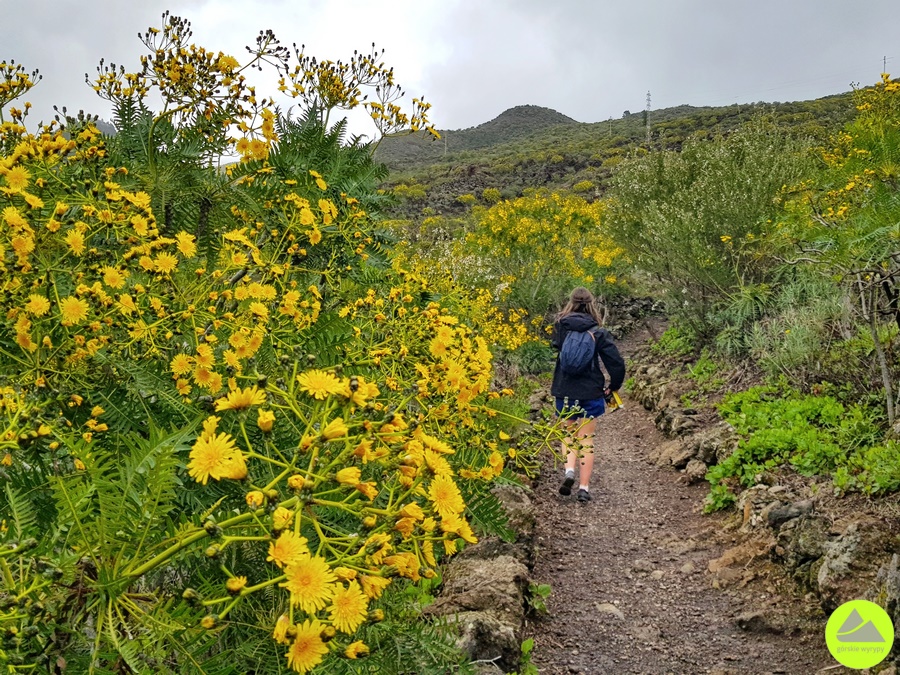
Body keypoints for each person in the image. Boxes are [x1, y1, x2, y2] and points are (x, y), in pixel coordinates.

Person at [550, 287, 625, 502]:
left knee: (568, 434)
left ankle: (569, 472)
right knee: (586, 440)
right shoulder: (598, 332)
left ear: (570, 302)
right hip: (591, 391)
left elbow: (556, 346)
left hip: (564, 390)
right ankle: (583, 488)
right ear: (592, 304)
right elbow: (616, 363)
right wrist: (614, 386)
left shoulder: (561, 326)